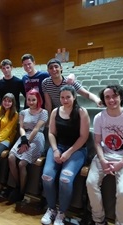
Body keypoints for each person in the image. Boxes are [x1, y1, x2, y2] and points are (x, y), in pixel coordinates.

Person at [86, 84, 123, 225]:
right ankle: (98, 219)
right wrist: (102, 160)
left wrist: (121, 164)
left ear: (120, 97)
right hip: (104, 156)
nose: (111, 100)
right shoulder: (99, 117)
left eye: (114, 96)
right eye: (107, 97)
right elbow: (97, 142)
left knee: (122, 193)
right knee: (90, 183)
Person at [41, 85, 90, 225]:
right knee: (47, 177)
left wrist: (68, 153)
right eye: (62, 97)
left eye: (68, 97)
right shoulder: (56, 111)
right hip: (58, 147)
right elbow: (51, 133)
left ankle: (61, 213)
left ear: (74, 97)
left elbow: (83, 137)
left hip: (77, 149)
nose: (65, 100)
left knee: (65, 179)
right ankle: (51, 209)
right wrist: (56, 150)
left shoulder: (81, 112)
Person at [8, 88, 48, 203]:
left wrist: (26, 142)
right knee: (11, 157)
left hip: (36, 138)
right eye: (29, 100)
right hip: (24, 135)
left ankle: (22, 191)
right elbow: (21, 127)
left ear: (38, 100)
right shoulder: (23, 112)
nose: (31, 102)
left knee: (22, 164)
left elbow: (36, 129)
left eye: (33, 100)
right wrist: (23, 139)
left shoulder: (43, 112)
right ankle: (18, 185)